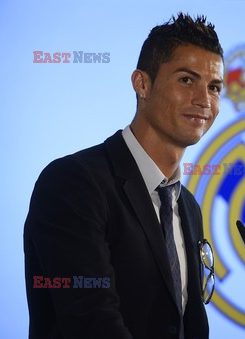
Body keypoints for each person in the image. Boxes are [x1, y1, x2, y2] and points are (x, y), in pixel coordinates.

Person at [24, 13, 224, 339]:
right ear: (141, 83)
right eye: (187, 80)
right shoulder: (73, 183)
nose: (204, 100)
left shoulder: (187, 206)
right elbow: (92, 322)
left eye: (214, 87)